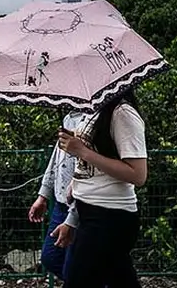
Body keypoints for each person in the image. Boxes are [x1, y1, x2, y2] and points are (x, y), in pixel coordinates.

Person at [57, 89, 148, 288]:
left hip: (109, 217)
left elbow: (138, 175)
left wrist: (82, 150)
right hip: (89, 211)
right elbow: (94, 166)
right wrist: (76, 184)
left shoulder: (122, 113)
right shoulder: (95, 111)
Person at [28, 111, 83, 281]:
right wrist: (43, 195)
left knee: (75, 264)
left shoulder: (92, 120)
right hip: (60, 205)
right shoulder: (69, 117)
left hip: (81, 205)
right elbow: (56, 158)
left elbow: (88, 171)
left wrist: (73, 217)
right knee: (50, 258)